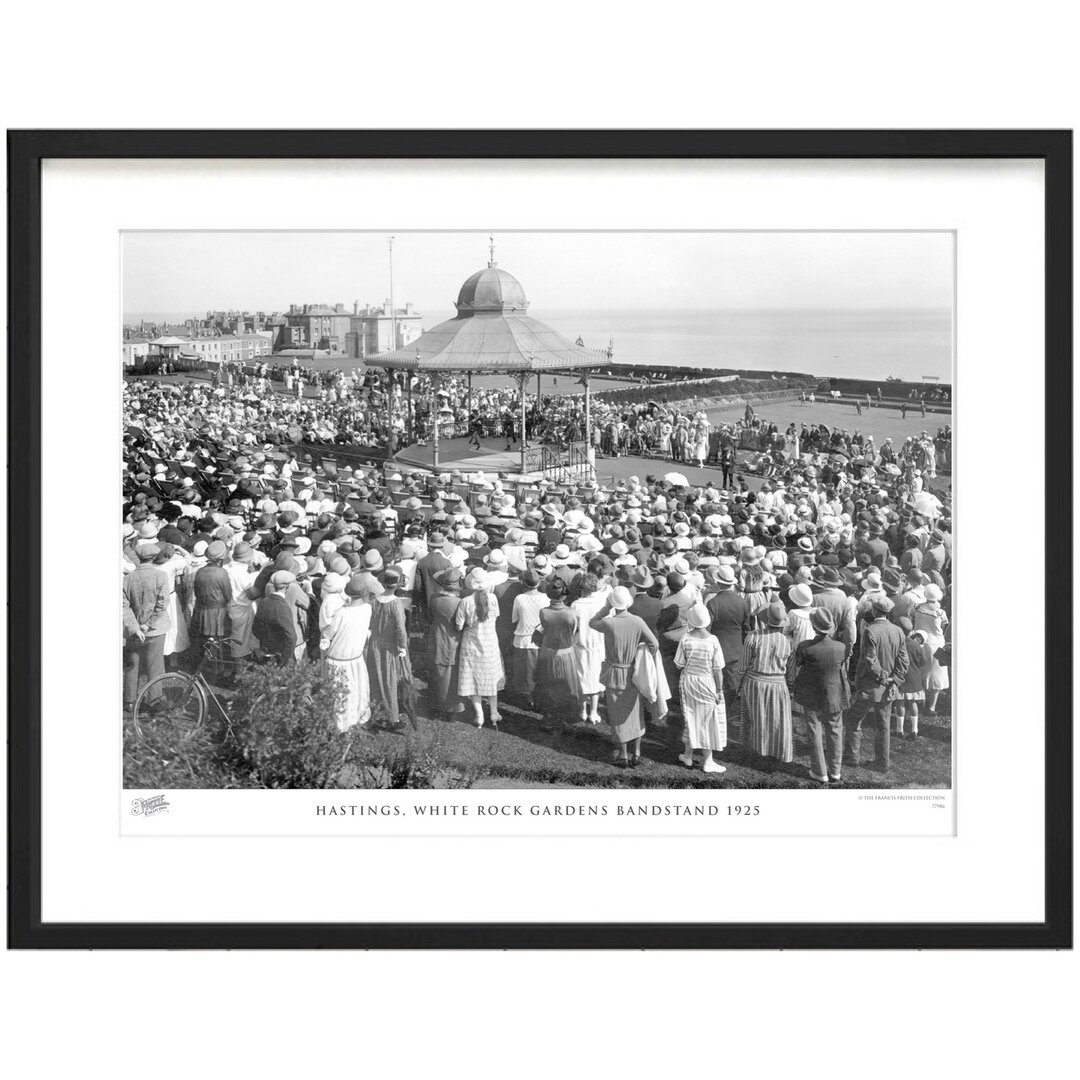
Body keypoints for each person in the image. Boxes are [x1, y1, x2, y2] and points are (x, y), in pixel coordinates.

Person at [588, 586, 659, 768]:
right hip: (633, 673)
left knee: (617, 714)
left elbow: (592, 622)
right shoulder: (637, 621)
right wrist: (643, 658)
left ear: (613, 603)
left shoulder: (609, 622)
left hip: (614, 672)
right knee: (635, 714)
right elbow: (654, 643)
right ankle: (636, 752)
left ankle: (623, 754)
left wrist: (606, 607)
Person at [844, 595, 909, 771]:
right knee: (884, 725)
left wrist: (882, 676)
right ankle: (883, 762)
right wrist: (894, 679)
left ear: (874, 610)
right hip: (888, 688)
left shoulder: (870, 630)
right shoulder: (898, 631)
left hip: (869, 685)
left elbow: (870, 660)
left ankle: (852, 756)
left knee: (853, 718)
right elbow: (904, 661)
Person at [788, 607, 849, 783]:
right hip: (835, 693)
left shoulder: (805, 647)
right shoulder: (841, 647)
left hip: (810, 692)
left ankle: (819, 771)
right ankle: (835, 771)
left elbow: (797, 664)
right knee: (835, 729)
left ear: (814, 627)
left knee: (814, 730)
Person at [736, 601, 793, 764]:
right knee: (777, 720)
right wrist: (790, 687)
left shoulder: (753, 636)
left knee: (755, 717)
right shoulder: (788, 642)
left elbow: (742, 667)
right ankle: (776, 751)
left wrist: (740, 681)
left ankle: (755, 749)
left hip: (755, 682)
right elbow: (791, 671)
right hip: (778, 684)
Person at [674, 604, 727, 774]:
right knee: (708, 719)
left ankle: (689, 755)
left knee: (690, 716)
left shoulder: (686, 638)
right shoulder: (713, 640)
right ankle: (705, 760)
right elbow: (718, 670)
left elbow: (679, 664)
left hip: (689, 680)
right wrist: (719, 691)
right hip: (707, 681)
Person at [320, 575, 374, 731]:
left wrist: (325, 640)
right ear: (365, 594)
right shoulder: (367, 609)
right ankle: (355, 718)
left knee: (339, 696)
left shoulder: (341, 613)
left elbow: (328, 634)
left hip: (338, 659)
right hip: (355, 658)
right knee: (355, 692)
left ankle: (340, 724)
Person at [367, 567, 418, 731]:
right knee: (390, 681)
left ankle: (376, 713)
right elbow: (401, 630)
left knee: (375, 680)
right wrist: (403, 647)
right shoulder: (396, 604)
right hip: (390, 647)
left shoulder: (373, 600)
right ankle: (393, 717)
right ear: (397, 585)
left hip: (374, 644)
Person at [122, 542, 170, 711]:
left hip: (134, 629)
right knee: (155, 665)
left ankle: (129, 701)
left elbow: (124, 606)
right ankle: (154, 700)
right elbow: (163, 603)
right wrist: (149, 625)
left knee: (132, 665)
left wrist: (135, 627)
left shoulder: (127, 578)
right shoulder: (161, 575)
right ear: (154, 557)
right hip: (156, 629)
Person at [455, 567, 505, 728]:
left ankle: (479, 715)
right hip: (490, 643)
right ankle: (494, 712)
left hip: (471, 645)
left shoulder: (465, 602)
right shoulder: (493, 599)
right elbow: (495, 618)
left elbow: (459, 625)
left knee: (473, 680)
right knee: (491, 679)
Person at [535, 576, 579, 722]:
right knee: (568, 684)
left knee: (549, 685)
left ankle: (551, 715)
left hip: (548, 653)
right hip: (566, 653)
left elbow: (544, 628)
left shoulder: (544, 612)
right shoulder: (570, 612)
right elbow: (573, 630)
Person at [570, 572, 609, 725]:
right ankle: (593, 711)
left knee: (581, 679)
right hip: (598, 645)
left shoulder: (575, 605)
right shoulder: (601, 604)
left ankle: (582, 711)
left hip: (580, 645)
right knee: (596, 679)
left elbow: (573, 628)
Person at [426, 567, 464, 719]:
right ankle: (451, 708)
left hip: (436, 637)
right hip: (453, 639)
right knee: (452, 673)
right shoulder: (459, 602)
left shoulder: (434, 598)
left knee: (436, 671)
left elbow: (429, 617)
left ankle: (436, 705)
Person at [510, 569, 549, 708]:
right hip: (539, 638)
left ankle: (529, 698)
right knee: (539, 670)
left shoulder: (519, 598)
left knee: (526, 672)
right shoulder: (546, 598)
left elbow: (514, 618)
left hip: (524, 639)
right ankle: (535, 697)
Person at [894, 621, 933, 738]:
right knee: (912, 703)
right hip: (914, 677)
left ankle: (899, 730)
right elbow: (923, 662)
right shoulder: (917, 646)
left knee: (900, 702)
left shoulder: (897, 642)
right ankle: (914, 730)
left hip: (900, 676)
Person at [253, 571, 299, 665]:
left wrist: (267, 642)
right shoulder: (282, 606)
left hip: (267, 650)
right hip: (280, 655)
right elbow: (292, 637)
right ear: (287, 587)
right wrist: (284, 659)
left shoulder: (264, 602)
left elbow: (255, 629)